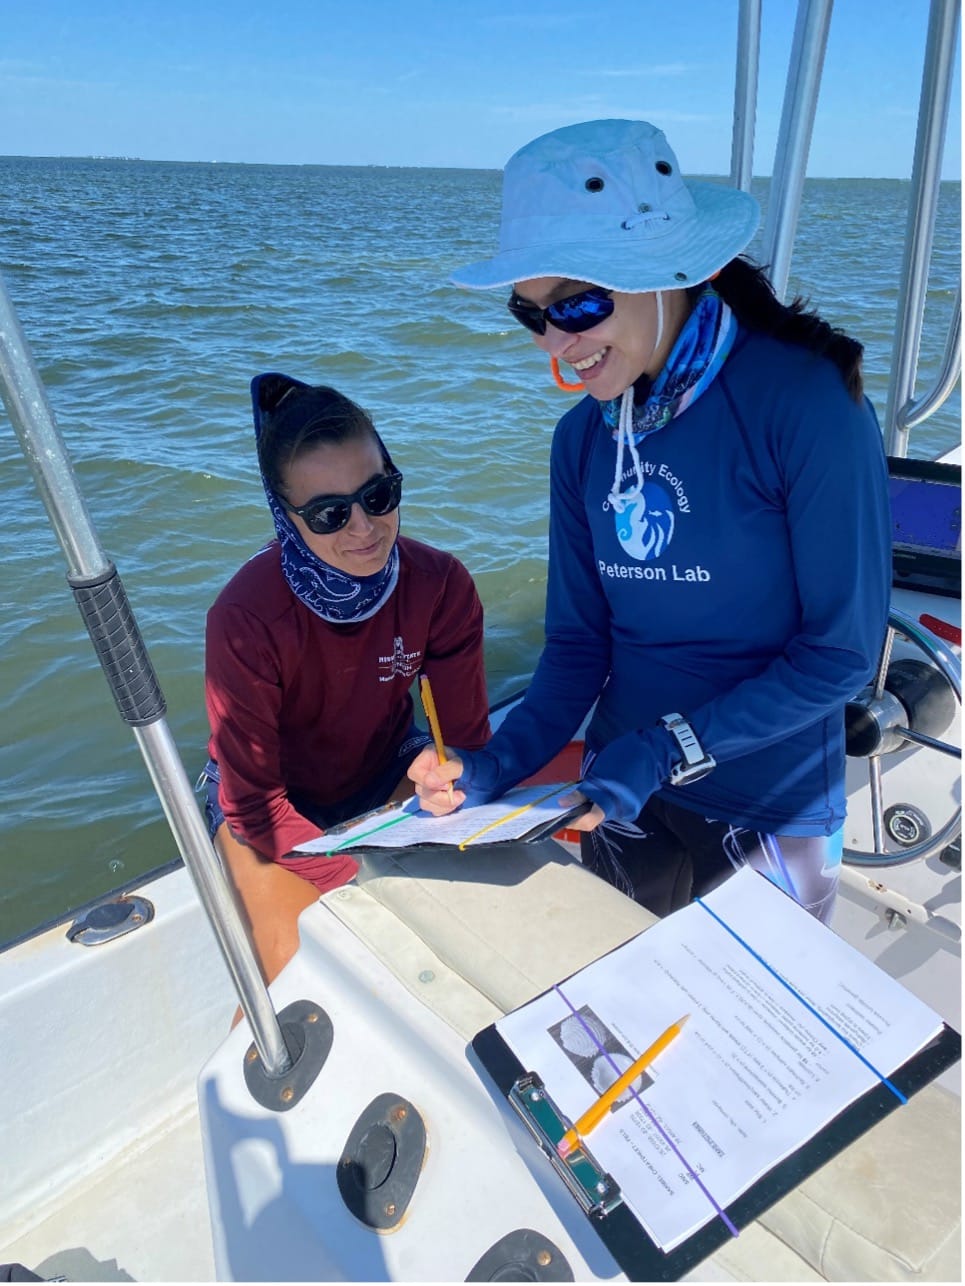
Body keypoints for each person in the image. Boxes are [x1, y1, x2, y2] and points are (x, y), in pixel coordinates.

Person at [408, 119, 891, 924]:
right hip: (617, 790)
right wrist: (496, 763)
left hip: (765, 806)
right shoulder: (580, 440)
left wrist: (667, 746)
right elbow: (576, 644)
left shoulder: (805, 405)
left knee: (749, 1042)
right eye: (530, 316)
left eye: (578, 305)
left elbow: (838, 657)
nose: (555, 346)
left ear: (664, 275)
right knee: (610, 1031)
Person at [203, 372, 490, 985]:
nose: (364, 528)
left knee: (467, 928)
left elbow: (465, 740)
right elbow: (253, 802)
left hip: (384, 772)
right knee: (308, 971)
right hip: (262, 808)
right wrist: (352, 881)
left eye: (378, 495)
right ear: (286, 516)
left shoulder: (441, 585)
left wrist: (446, 773)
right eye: (330, 513)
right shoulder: (245, 618)